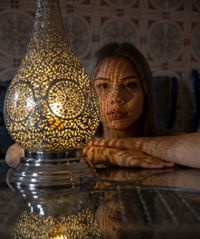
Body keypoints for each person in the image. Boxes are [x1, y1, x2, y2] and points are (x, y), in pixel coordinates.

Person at [5, 42, 200, 169]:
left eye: (129, 85)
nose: (116, 98)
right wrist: (98, 153)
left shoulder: (167, 141)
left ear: (146, 93)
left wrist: (135, 144)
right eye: (104, 86)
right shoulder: (78, 143)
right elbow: (13, 155)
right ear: (88, 94)